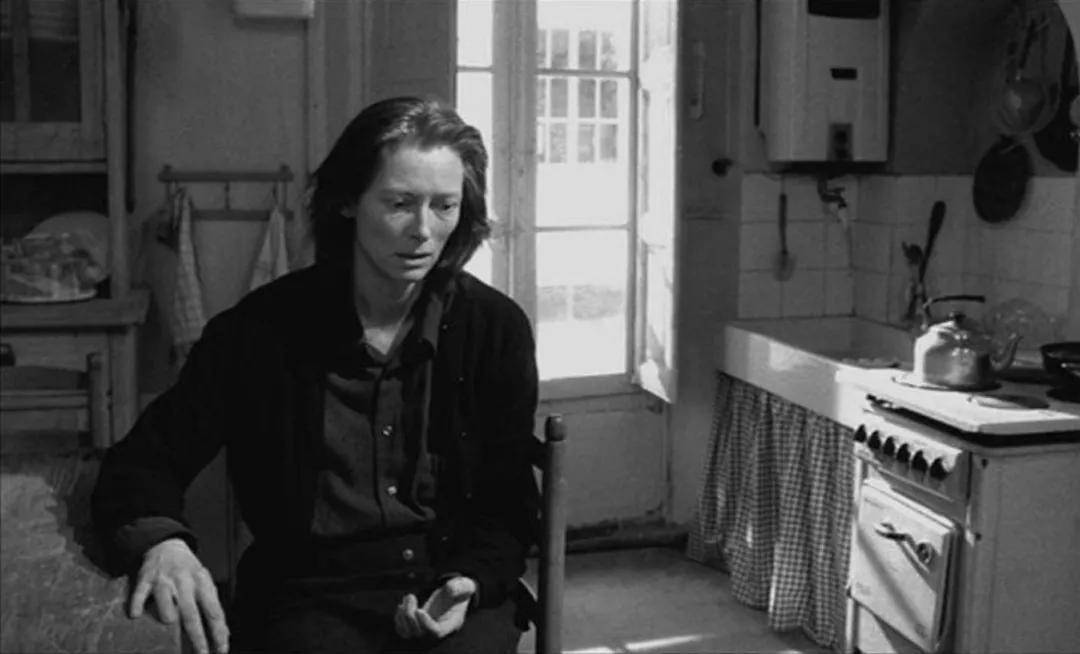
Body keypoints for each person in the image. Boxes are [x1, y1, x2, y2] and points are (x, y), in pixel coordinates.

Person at [92, 96, 541, 654]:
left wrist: (470, 582)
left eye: (444, 206)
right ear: (348, 201)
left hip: (451, 581)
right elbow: (143, 462)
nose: (423, 230)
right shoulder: (259, 331)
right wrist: (165, 545)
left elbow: (508, 504)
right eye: (400, 203)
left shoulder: (494, 328)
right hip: (308, 594)